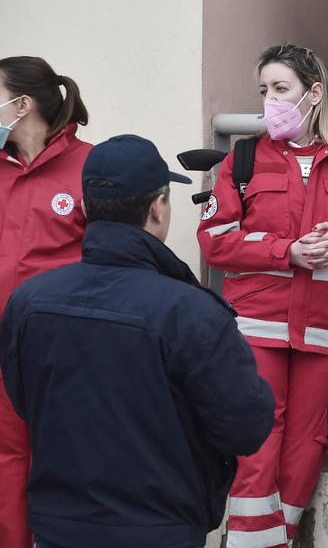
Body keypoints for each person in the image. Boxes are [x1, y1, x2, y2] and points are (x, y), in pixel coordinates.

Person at [0, 134, 275, 548]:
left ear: (86, 208)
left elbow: (24, 401)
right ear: (158, 208)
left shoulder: (30, 302)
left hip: (59, 529)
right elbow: (246, 427)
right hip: (161, 529)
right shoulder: (191, 312)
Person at [198, 44, 328, 548]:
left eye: (281, 89)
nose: (270, 100)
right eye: (264, 90)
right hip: (257, 328)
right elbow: (214, 238)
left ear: (313, 94)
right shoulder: (243, 159)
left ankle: (274, 539)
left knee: (307, 445)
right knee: (257, 444)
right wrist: (285, 251)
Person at [0, 56, 91, 548]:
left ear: (21, 104)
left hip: (67, 348)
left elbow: (114, 258)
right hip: (3, 348)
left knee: (65, 456)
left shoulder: (90, 166)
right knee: (7, 459)